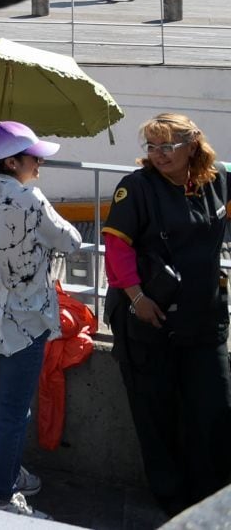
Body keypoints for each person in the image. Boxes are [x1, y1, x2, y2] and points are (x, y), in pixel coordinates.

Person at [102, 112, 231, 516]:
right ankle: (171, 498)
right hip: (149, 321)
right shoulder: (137, 188)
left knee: (214, 408)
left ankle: (211, 496)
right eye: (152, 147)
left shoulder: (216, 180)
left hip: (204, 317)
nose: (158, 155)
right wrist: (138, 298)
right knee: (155, 414)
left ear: (192, 145)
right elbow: (117, 249)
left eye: (167, 147)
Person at [0, 120, 80, 517]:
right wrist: (37, 196)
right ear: (12, 162)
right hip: (22, 320)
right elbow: (71, 241)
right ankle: (1, 495)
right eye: (34, 157)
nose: (39, 165)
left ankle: (5, 471)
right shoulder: (30, 199)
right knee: (14, 411)